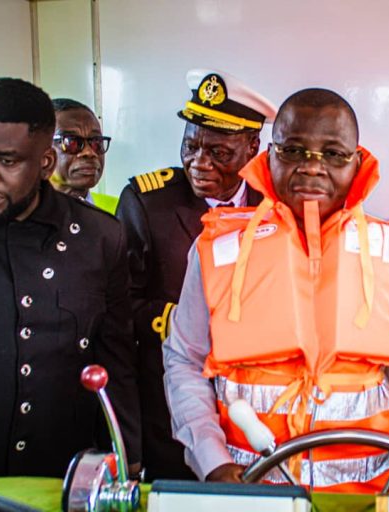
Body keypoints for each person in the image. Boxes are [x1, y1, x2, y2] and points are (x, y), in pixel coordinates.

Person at [163, 88, 389, 494]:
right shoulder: (217, 250)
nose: (312, 168)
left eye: (333, 153)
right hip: (250, 486)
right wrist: (212, 461)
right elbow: (185, 364)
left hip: (374, 489)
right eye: (294, 150)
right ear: (269, 155)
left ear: (357, 162)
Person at [0, 78, 141, 478]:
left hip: (55, 476)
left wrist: (128, 456)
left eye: (7, 160)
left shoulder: (98, 237)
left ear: (45, 163)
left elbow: (115, 360)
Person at [116, 69, 276, 481]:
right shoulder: (147, 202)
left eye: (218, 152)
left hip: (263, 413)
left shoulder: (278, 203)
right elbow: (120, 304)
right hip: (171, 404)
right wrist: (194, 322)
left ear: (253, 148)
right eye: (190, 146)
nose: (198, 163)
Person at [50, 98, 118, 214]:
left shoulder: (120, 211)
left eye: (96, 142)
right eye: (71, 142)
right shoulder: (17, 217)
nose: (89, 152)